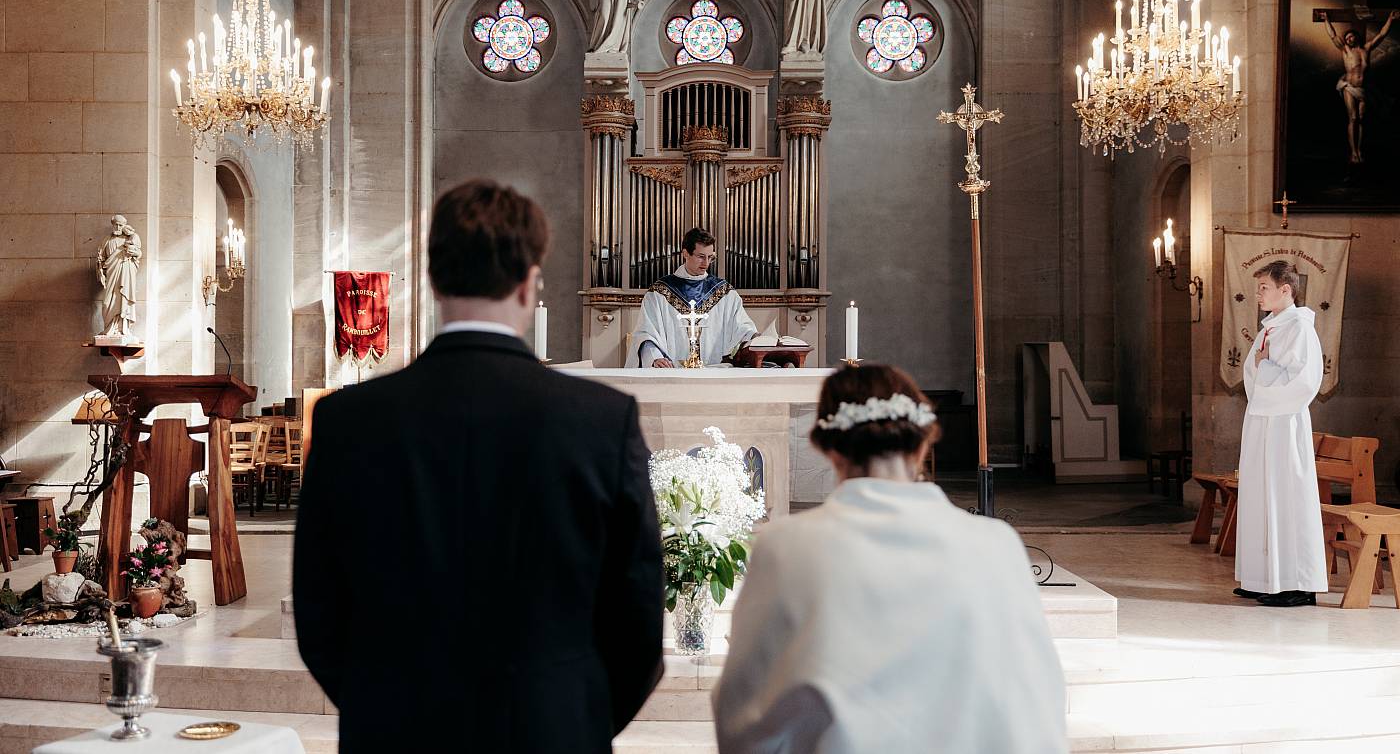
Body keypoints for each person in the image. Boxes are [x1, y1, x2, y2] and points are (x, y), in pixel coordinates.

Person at [294, 179, 664, 752]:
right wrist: (573, 714)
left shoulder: (348, 421)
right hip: (552, 728)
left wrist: (387, 703)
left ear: (434, 281)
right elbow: (638, 620)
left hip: (394, 731)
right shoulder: (602, 420)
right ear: (527, 282)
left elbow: (319, 612)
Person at [712, 365, 1067, 754]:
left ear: (827, 448)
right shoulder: (996, 544)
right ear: (923, 443)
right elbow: (1039, 700)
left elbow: (742, 715)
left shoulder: (784, 546)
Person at [1233, 260, 1328, 607]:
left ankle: (1298, 583)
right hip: (1262, 419)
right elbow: (1252, 369)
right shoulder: (1270, 327)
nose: (1258, 294)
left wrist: (1265, 369)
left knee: (1286, 497)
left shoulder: (1300, 328)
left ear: (1285, 290)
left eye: (1264, 288)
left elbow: (1305, 382)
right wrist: (1263, 369)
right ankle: (1264, 578)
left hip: (1285, 423)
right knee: (1261, 495)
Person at [629, 227, 757, 367]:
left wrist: (754, 337)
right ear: (685, 253)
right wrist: (655, 358)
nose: (706, 263)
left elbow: (742, 327)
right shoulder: (660, 293)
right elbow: (646, 333)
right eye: (701, 257)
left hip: (715, 374)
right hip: (672, 374)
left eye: (710, 257)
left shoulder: (725, 293)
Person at [1322, 9, 1396, 164]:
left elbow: (1381, 35)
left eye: (1351, 36)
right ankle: (1353, 152)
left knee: (1361, 119)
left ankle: (1359, 150)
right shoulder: (1346, 50)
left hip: (1364, 89)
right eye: (1347, 37)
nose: (1349, 39)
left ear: (1356, 37)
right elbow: (1333, 35)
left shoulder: (1366, 49)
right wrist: (1326, 20)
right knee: (1353, 118)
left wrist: (1390, 18)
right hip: (1349, 86)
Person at [96, 214, 141, 337]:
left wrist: (134, 252)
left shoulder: (129, 238)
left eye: (120, 225)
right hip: (111, 274)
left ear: (124, 225)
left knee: (123, 299)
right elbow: (101, 258)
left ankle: (122, 329)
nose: (118, 227)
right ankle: (109, 329)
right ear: (112, 224)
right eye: (116, 224)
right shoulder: (107, 240)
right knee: (107, 302)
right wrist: (100, 271)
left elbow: (138, 254)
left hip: (125, 273)